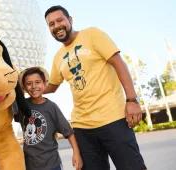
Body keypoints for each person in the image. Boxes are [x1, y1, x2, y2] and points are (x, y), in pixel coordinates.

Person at [44, 5, 146, 170]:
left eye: (59, 20)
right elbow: (52, 86)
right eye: (51, 24)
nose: (56, 26)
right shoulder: (58, 57)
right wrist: (23, 87)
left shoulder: (92, 35)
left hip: (113, 119)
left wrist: (132, 100)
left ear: (70, 20)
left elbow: (119, 64)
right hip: (82, 127)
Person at [19, 66, 83, 170]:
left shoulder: (51, 107)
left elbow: (69, 132)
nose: (34, 86)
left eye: (37, 82)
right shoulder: (22, 106)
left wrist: (76, 153)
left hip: (52, 165)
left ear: (44, 84)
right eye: (29, 84)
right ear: (25, 88)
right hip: (30, 165)